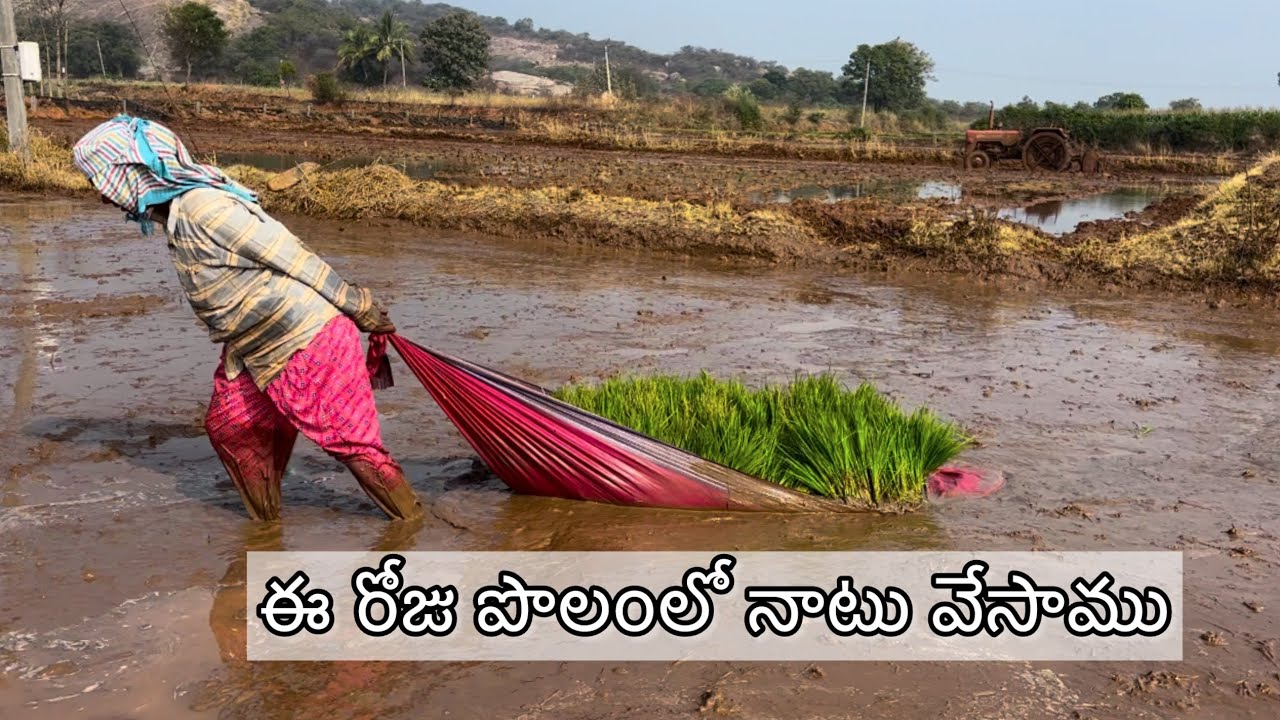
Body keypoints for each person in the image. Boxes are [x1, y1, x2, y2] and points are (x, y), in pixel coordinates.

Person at [71, 114, 424, 522]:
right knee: (232, 425)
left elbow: (292, 255)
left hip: (307, 337)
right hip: (254, 347)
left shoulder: (206, 208)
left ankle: (410, 526)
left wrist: (355, 303)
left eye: (103, 183)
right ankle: (265, 529)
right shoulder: (179, 215)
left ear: (137, 175)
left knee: (351, 443)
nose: (103, 196)